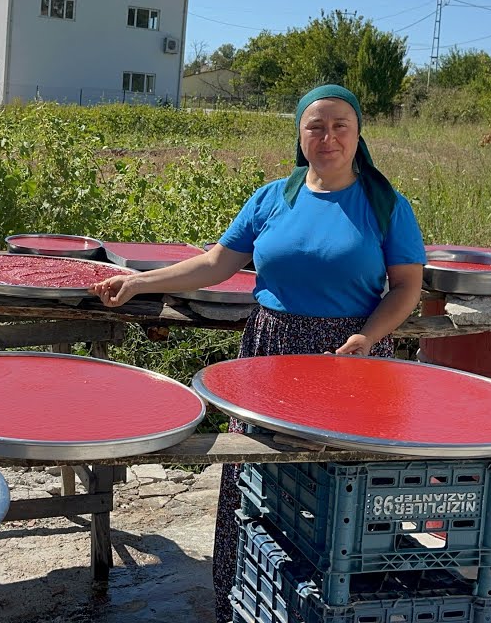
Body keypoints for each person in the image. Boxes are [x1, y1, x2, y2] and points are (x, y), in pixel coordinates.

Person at [90, 83, 426, 623]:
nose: (328, 136)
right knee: (254, 471)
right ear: (300, 134)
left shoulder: (386, 205)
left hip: (350, 356)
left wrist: (369, 336)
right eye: (316, 126)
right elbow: (216, 264)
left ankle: (339, 602)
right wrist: (139, 282)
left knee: (343, 479)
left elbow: (407, 287)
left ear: (359, 133)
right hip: (271, 351)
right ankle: (243, 593)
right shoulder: (273, 198)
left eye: (340, 125)